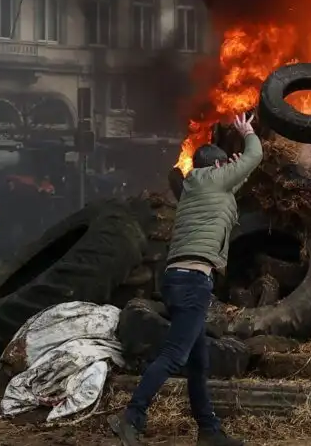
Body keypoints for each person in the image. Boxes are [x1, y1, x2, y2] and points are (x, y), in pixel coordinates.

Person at [108, 112, 263, 446]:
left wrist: (231, 167)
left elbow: (237, 181)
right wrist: (247, 132)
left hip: (178, 278)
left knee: (198, 361)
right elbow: (255, 157)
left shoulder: (197, 185)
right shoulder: (214, 182)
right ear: (218, 168)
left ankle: (208, 431)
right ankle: (131, 417)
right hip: (193, 281)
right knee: (174, 356)